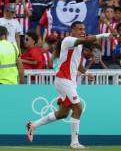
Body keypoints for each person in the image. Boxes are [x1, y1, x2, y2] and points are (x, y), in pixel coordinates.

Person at [26, 21, 115, 149]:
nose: (82, 31)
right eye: (80, 29)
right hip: (64, 80)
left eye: (84, 29)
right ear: (72, 31)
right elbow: (88, 39)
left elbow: (77, 64)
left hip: (69, 81)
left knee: (63, 113)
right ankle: (74, 142)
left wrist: (87, 73)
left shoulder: (78, 46)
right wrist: (105, 35)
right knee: (78, 109)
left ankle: (33, 125)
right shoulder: (69, 40)